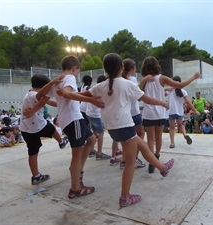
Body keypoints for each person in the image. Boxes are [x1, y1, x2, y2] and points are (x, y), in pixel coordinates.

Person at [57, 53, 175, 207]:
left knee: (142, 144)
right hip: (124, 126)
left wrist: (64, 93)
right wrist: (163, 104)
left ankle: (162, 167)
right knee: (131, 162)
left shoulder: (101, 85)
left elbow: (80, 95)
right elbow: (146, 99)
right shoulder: (127, 84)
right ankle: (125, 197)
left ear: (105, 69)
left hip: (112, 129)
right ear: (122, 67)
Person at [36, 56, 103, 198]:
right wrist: (91, 100)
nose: (78, 74)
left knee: (91, 139)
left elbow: (40, 95)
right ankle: (75, 188)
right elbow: (67, 94)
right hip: (73, 119)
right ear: (75, 68)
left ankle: (78, 169)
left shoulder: (57, 81)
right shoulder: (70, 77)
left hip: (69, 120)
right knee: (76, 155)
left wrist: (52, 83)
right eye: (78, 72)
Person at [139, 56, 200, 174]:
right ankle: (157, 155)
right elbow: (180, 85)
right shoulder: (162, 78)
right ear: (157, 65)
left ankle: (151, 161)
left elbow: (136, 89)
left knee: (150, 139)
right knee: (158, 137)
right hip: (160, 112)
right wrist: (193, 77)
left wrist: (144, 79)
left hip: (147, 113)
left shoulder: (144, 80)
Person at [20, 74, 69, 185]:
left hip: (26, 128)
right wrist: (51, 83)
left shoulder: (31, 95)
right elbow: (41, 95)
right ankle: (61, 142)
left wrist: (61, 104)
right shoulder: (33, 95)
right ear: (43, 87)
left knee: (33, 152)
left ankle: (36, 176)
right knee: (51, 128)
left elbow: (49, 102)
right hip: (35, 125)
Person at [121, 58, 146, 168]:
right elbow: (138, 96)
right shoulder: (132, 79)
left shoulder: (120, 79)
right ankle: (133, 158)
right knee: (140, 134)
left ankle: (124, 160)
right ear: (132, 68)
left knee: (126, 139)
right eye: (135, 67)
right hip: (134, 112)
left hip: (124, 113)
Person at [166, 76, 199, 148]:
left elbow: (163, 93)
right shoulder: (183, 91)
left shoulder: (170, 90)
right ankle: (185, 135)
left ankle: (172, 143)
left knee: (171, 128)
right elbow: (188, 102)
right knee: (180, 125)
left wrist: (169, 88)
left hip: (171, 111)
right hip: (179, 111)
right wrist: (195, 110)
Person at [86, 75, 111, 161]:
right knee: (101, 133)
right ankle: (99, 153)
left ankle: (92, 150)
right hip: (95, 115)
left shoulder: (94, 88)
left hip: (89, 113)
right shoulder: (102, 91)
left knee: (94, 132)